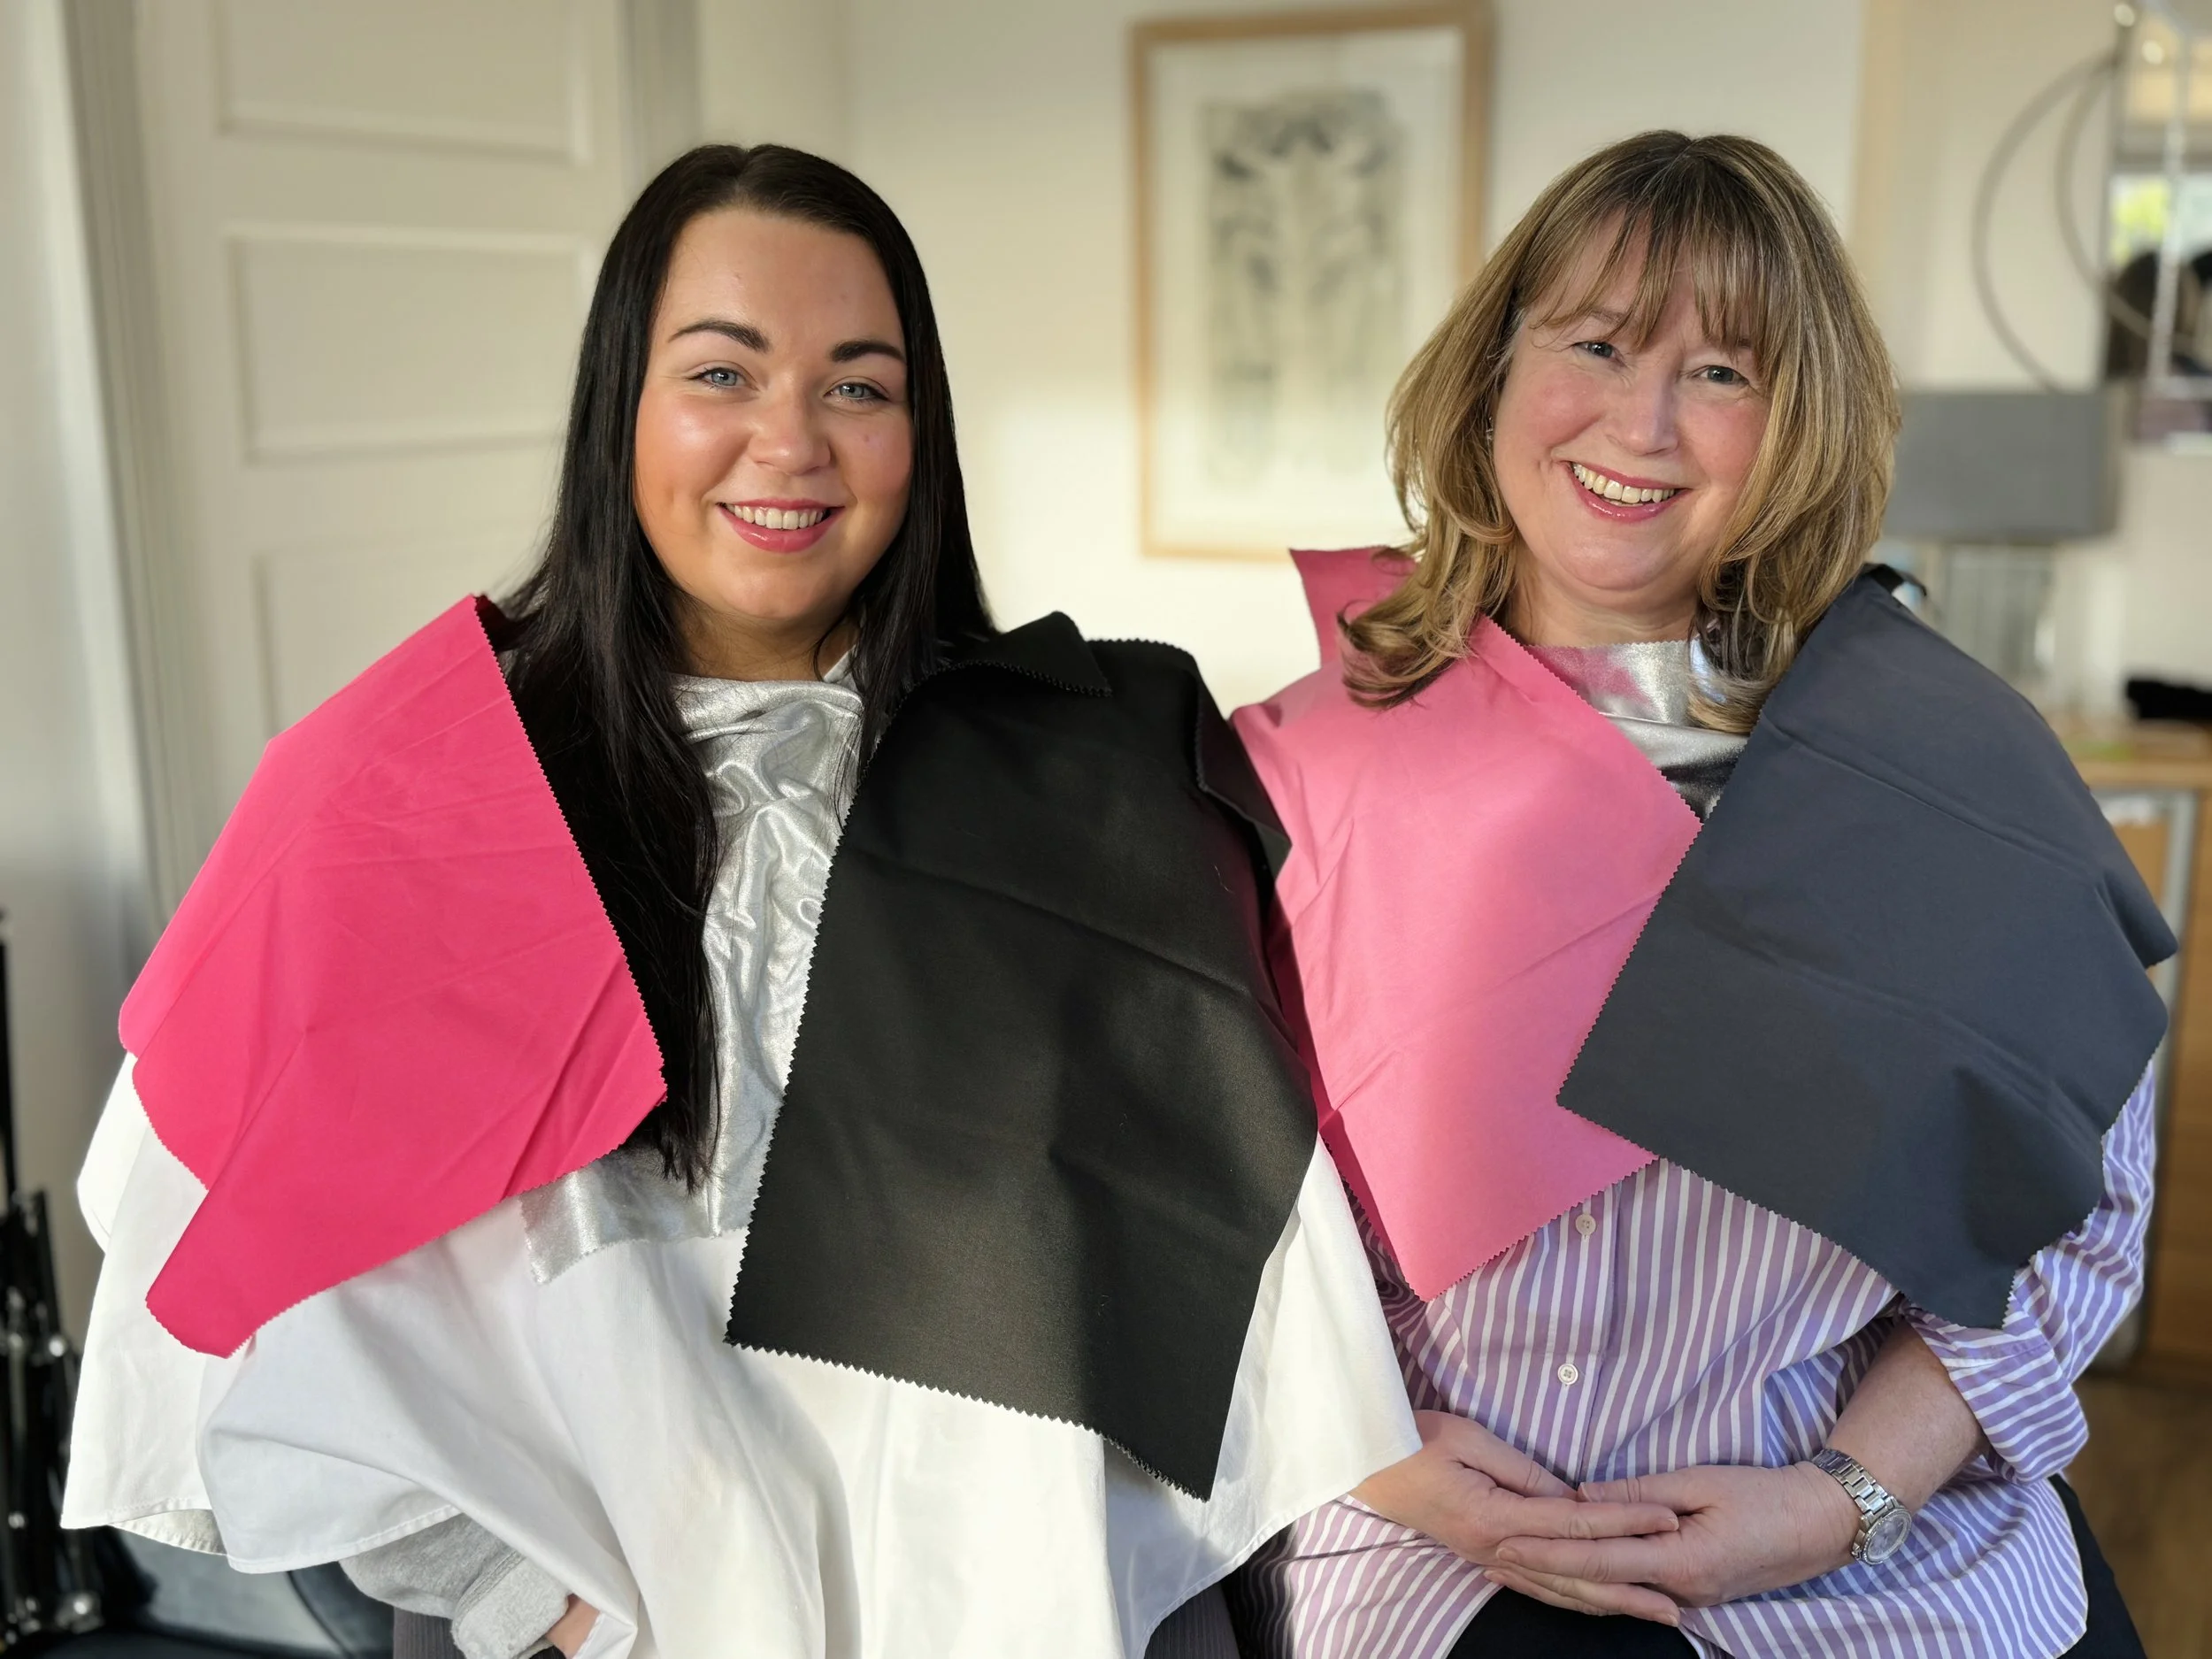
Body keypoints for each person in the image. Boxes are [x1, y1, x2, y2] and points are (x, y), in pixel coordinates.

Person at [60, 144, 1429, 1659]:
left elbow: (1216, 1245)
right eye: (723, 373)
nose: (792, 444)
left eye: (860, 386)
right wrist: (543, 1608)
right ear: (620, 411)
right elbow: (256, 1301)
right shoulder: (419, 786)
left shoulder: (1080, 770)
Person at [1228, 132, 2163, 1658]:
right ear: (1491, 376)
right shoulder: (1294, 772)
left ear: (1798, 424)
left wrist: (1850, 1493)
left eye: (1723, 372)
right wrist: (1365, 1445)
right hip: (1437, 1536)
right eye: (1594, 343)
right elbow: (1186, 1200)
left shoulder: (1948, 776)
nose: (1641, 420)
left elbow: (2069, 1216)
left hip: (1873, 1563)